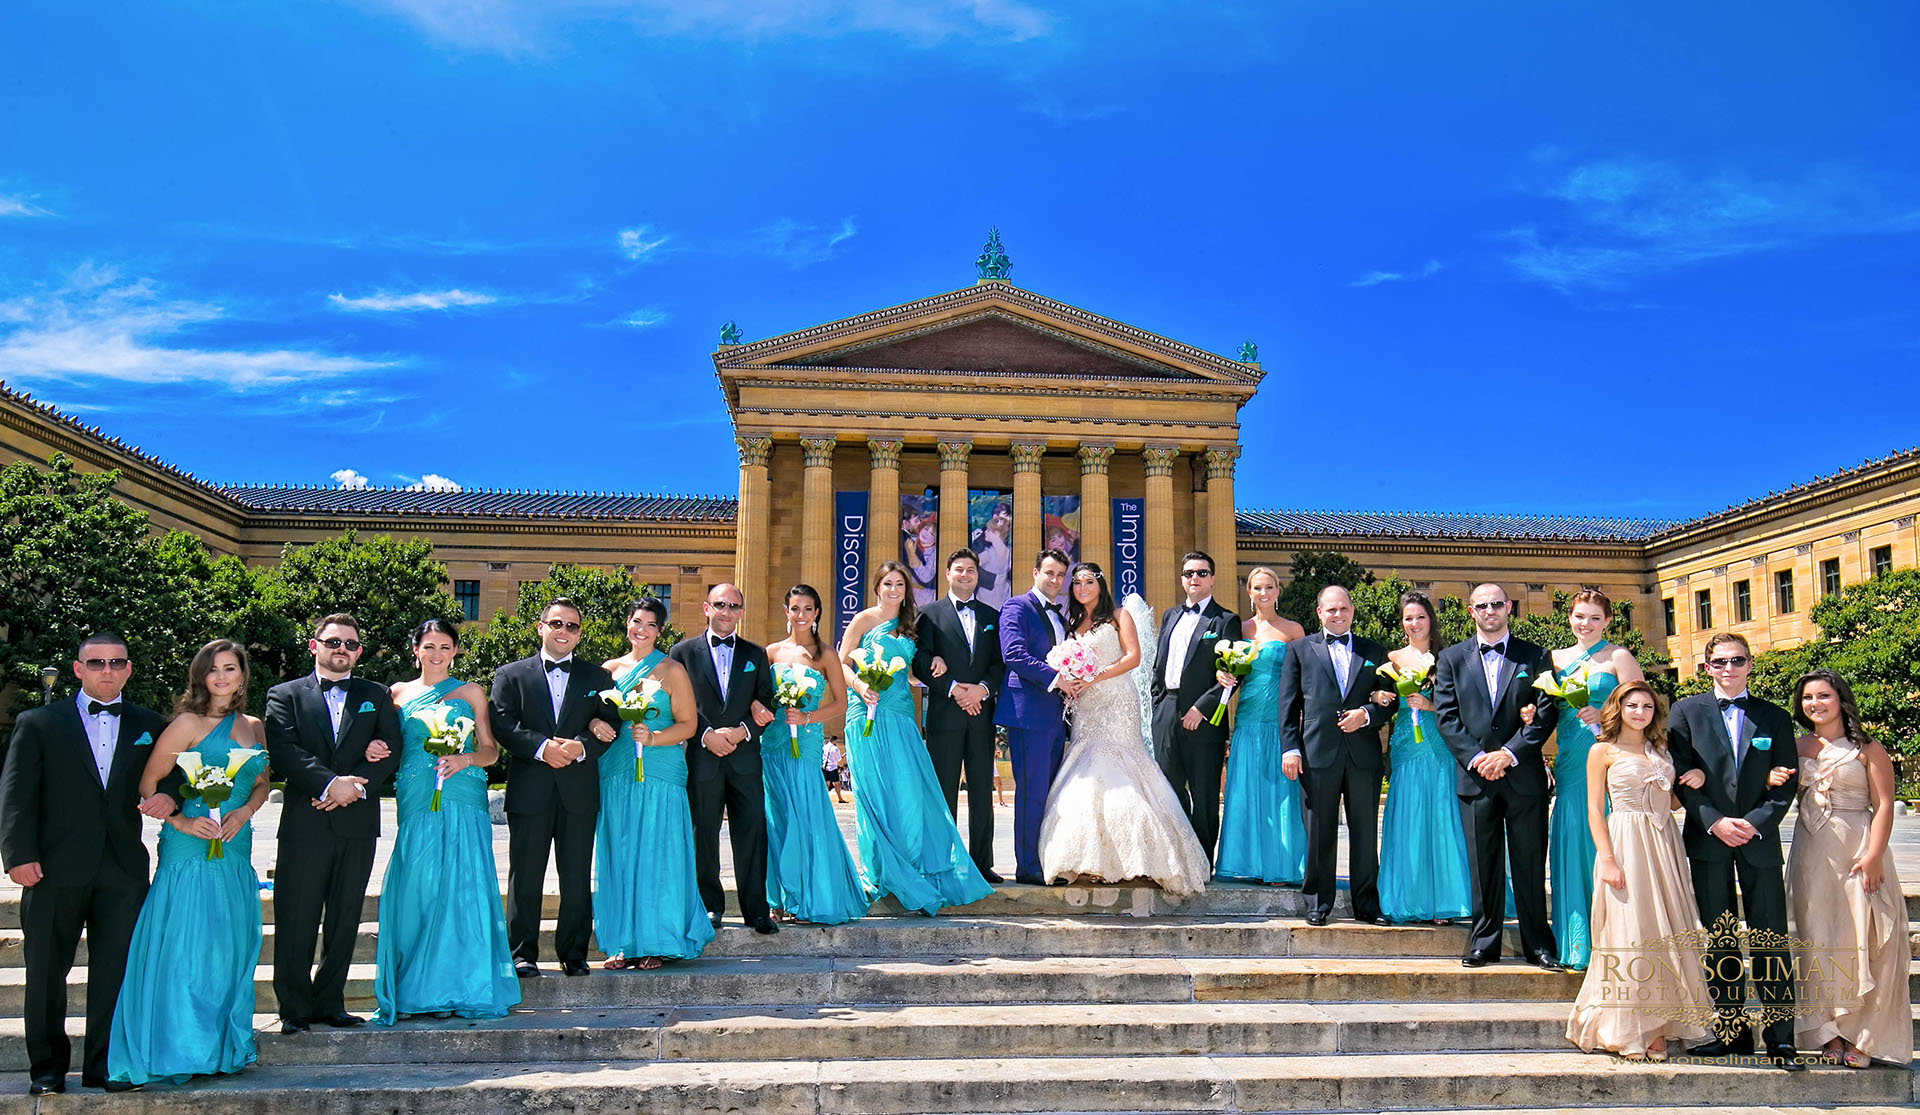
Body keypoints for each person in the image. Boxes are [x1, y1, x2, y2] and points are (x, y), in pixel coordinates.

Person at [0, 633, 168, 1095]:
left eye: (116, 662)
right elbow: (16, 794)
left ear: (129, 669)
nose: (107, 671)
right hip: (52, 868)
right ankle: (48, 1070)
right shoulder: (38, 722)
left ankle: (104, 1066)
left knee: (115, 971)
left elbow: (173, 775)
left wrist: (169, 793)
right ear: (78, 669)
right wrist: (18, 856)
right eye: (96, 663)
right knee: (46, 972)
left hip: (122, 870)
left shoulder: (149, 724)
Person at [107, 640, 270, 1087]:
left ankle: (218, 1048)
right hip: (189, 848)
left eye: (230, 668)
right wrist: (180, 820)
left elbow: (261, 782)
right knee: (187, 949)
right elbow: (149, 782)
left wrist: (245, 811)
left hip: (235, 847)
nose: (221, 677)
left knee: (227, 949)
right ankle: (181, 1047)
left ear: (242, 675)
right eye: (213, 669)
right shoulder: (186, 724)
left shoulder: (253, 725)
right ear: (201, 677)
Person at [1668, 632, 1801, 1069]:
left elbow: (1788, 779)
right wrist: (1714, 821)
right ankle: (1733, 1035)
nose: (1729, 668)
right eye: (1720, 661)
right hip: (1708, 840)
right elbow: (1682, 775)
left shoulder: (1775, 717)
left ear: (1749, 664)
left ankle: (1781, 1038)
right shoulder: (1685, 713)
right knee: (1720, 939)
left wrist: (1755, 824)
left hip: (1758, 842)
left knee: (1771, 939)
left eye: (1737, 660)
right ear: (1706, 667)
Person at [374, 620, 518, 1023]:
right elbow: (387, 746)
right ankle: (417, 987)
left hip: (463, 791)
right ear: (415, 649)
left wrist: (465, 758)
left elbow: (490, 751)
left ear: (455, 651)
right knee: (418, 887)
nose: (437, 653)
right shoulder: (396, 694)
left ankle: (463, 984)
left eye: (445, 646)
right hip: (417, 793)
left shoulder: (471, 692)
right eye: (429, 646)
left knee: (462, 886)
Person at [1037, 563, 1211, 896]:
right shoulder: (1070, 622)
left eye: (1089, 581)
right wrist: (1071, 679)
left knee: (1120, 769)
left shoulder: (1119, 615)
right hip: (1086, 706)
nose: (1082, 587)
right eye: (1076, 582)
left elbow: (1134, 657)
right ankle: (1087, 860)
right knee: (1085, 772)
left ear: (1101, 585)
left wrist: (1095, 676)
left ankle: (1142, 858)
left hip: (1117, 701)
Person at [265, 614, 401, 1031]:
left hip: (357, 823)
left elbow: (393, 748)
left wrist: (355, 787)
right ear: (314, 646)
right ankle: (293, 1008)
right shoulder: (284, 694)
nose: (342, 649)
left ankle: (331, 1002)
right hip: (306, 822)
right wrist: (329, 785)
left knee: (345, 918)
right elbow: (285, 751)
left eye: (351, 644)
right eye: (334, 642)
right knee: (296, 917)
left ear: (358, 651)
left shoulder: (375, 695)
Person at [1566, 681, 1712, 1060]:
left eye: (1647, 706)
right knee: (1630, 931)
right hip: (1625, 842)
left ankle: (1658, 1025)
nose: (1640, 712)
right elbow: (1595, 810)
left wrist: (1694, 780)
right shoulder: (1602, 751)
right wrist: (1608, 859)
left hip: (1664, 844)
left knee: (1664, 931)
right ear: (1619, 708)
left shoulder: (1660, 750)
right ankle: (1630, 1026)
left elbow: (1673, 802)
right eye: (1632, 705)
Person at [841, 561, 993, 914]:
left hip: (901, 717)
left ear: (906, 589)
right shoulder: (864, 620)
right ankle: (881, 870)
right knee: (875, 796)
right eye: (887, 583)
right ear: (877, 586)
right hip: (866, 714)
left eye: (899, 584)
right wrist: (861, 685)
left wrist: (935, 663)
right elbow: (841, 662)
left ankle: (911, 864)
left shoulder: (911, 626)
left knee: (910, 796)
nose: (893, 589)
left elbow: (910, 674)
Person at [488, 598, 620, 976]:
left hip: (578, 790)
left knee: (576, 875)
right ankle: (522, 953)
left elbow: (610, 726)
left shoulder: (598, 679)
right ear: (540, 627)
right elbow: (502, 723)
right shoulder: (511, 675)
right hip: (531, 789)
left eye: (572, 626)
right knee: (525, 874)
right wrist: (544, 749)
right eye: (557, 624)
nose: (564, 631)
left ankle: (574, 952)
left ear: (579, 634)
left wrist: (582, 746)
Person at [1432, 583, 1560, 970]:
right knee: (1482, 865)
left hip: (1522, 777)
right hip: (1476, 778)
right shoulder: (1451, 658)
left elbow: (1546, 711)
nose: (1490, 610)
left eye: (1497, 604)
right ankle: (1483, 944)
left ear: (1509, 608)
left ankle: (1538, 945)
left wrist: (1508, 754)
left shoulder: (1535, 656)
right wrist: (1478, 758)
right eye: (1482, 605)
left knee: (1529, 863)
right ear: (1471, 611)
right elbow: (1446, 716)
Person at [1785, 669, 1910, 1067]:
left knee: (1865, 938)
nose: (1815, 704)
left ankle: (1864, 1036)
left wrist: (1874, 854)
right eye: (1807, 698)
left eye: (1823, 695)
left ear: (1840, 698)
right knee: (1818, 939)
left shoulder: (1867, 748)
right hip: (1810, 854)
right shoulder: (1797, 746)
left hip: (1858, 848)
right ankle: (1828, 1034)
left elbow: (1885, 804)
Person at [596, 598, 713, 966]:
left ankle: (658, 940)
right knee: (621, 849)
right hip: (616, 771)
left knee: (658, 852)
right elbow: (594, 718)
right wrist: (594, 725)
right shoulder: (608, 670)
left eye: (649, 624)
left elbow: (689, 725)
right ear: (627, 624)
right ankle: (621, 942)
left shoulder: (671, 670)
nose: (641, 629)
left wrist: (653, 739)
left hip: (661, 769)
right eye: (635, 621)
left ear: (659, 630)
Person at [1277, 585, 1394, 925]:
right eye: (1331, 610)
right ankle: (1317, 902)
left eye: (1343, 608)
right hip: (1316, 753)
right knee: (1319, 831)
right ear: (1319, 613)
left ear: (1352, 610)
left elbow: (1390, 700)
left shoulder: (1375, 650)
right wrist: (1290, 747)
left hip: (1363, 754)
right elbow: (1288, 705)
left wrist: (1367, 714)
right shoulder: (1299, 650)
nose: (1338, 615)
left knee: (1364, 831)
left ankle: (1367, 905)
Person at [668, 582, 780, 933]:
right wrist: (706, 735)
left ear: (742, 612)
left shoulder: (755, 654)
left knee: (751, 833)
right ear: (706, 608)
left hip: (744, 756)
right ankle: (709, 905)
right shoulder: (682, 653)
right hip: (702, 757)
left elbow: (766, 701)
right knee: (704, 833)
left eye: (733, 606)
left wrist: (741, 731)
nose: (726, 611)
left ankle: (756, 910)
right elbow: (677, 704)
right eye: (720, 604)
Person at [763, 586, 873, 925]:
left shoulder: (825, 655)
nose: (800, 615)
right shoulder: (770, 653)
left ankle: (810, 895)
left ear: (817, 613)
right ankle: (779, 898)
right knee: (776, 819)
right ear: (786, 611)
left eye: (808, 609)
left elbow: (840, 703)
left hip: (806, 743)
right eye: (794, 608)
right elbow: (759, 698)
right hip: (772, 744)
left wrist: (807, 717)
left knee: (806, 816)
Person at [1547, 589, 1644, 970]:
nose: (1585, 624)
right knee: (1574, 835)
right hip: (1572, 760)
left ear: (1607, 621)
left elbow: (1641, 704)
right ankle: (1577, 943)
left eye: (1593, 617)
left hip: (1613, 755)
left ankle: (1616, 939)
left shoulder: (1618, 656)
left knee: (1609, 839)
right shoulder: (1555, 659)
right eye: (1579, 616)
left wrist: (1605, 717)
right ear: (1569, 618)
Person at [1371, 592, 1472, 925]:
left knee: (1442, 816)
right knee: (1410, 814)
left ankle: (1446, 900)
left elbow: (1465, 703)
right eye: (1408, 618)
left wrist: (1431, 706)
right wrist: (1377, 694)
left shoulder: (1449, 658)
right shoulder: (1392, 659)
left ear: (1431, 620)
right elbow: (1376, 697)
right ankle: (1410, 898)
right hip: (1405, 744)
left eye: (1420, 617)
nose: (1414, 623)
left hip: (1440, 743)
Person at [914, 548, 1007, 880]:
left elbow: (999, 663)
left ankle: (982, 864)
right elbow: (920, 660)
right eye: (959, 569)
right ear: (948, 574)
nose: (965, 575)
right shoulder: (929, 614)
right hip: (945, 715)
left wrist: (981, 689)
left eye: (971, 570)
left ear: (977, 575)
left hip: (982, 715)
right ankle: (941, 862)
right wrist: (954, 688)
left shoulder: (992, 617)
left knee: (983, 791)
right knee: (943, 790)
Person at [1215, 568, 1307, 886]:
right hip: (1247, 721)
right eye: (1257, 587)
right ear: (1249, 592)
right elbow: (1232, 675)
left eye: (1269, 587)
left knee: (1282, 793)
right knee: (1246, 791)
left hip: (1280, 723)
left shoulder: (1294, 630)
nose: (1264, 592)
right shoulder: (1239, 629)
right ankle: (1248, 863)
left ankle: (1281, 867)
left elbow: (1306, 679)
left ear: (1278, 591)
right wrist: (1222, 676)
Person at [994, 548, 1080, 884]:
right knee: (1031, 793)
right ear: (1035, 573)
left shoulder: (1061, 616)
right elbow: (1013, 653)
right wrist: (1058, 679)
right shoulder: (1017, 606)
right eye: (1050, 573)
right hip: (1029, 713)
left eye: (1061, 575)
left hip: (1058, 715)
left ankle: (1047, 859)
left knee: (1050, 793)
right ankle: (1028, 866)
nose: (1056, 580)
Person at [1151, 551, 1241, 862]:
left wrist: (1201, 708)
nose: (1194, 578)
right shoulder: (1170, 615)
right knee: (1169, 788)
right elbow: (1159, 665)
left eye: (1202, 573)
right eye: (1189, 573)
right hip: (1166, 712)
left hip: (1203, 720)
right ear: (1181, 578)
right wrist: (1157, 702)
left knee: (1204, 794)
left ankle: (1201, 861)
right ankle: (1177, 856)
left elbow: (1233, 673)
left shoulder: (1226, 619)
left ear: (1213, 578)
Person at [823, 738, 847, 803]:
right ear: (834, 741)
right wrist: (843, 756)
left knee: (826, 783)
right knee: (836, 783)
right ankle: (840, 798)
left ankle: (825, 799)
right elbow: (838, 759)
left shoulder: (824, 747)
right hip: (832, 767)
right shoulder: (835, 748)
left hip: (825, 767)